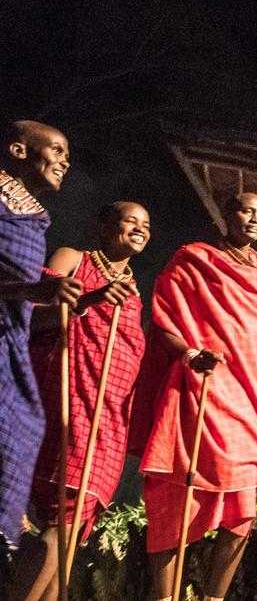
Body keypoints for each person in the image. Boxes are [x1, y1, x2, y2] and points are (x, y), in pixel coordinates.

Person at [131, 193, 257, 601]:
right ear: (226, 215)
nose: (253, 220)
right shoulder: (195, 260)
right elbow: (164, 320)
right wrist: (191, 354)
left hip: (248, 400)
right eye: (246, 211)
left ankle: (214, 597)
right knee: (174, 504)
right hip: (200, 387)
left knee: (242, 509)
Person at [12, 201, 151, 600]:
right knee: (62, 521)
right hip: (67, 402)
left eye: (146, 225)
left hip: (108, 422)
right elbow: (28, 318)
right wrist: (90, 301)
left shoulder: (136, 294)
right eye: (131, 221)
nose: (141, 229)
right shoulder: (72, 259)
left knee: (73, 532)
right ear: (105, 226)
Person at [0, 120, 78, 551]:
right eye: (58, 150)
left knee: (24, 428)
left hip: (9, 348)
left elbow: (24, 309)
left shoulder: (35, 219)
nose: (65, 161)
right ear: (18, 151)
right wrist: (32, 290)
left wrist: (75, 305)